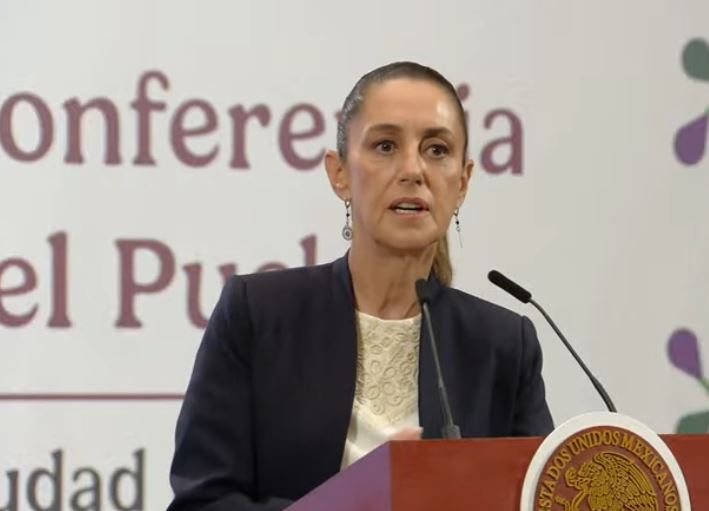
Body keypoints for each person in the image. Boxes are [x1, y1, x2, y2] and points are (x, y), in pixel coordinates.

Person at [166, 62, 554, 511]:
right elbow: (202, 501)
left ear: (463, 182)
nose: (413, 170)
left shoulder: (502, 345)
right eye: (385, 146)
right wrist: (352, 502)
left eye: (436, 150)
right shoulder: (257, 315)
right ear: (340, 173)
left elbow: (538, 497)